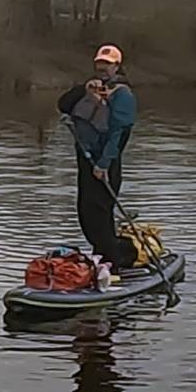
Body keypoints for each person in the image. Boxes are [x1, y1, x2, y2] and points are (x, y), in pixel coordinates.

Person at [57, 44, 137, 272]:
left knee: (100, 217)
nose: (103, 68)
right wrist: (84, 90)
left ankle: (111, 266)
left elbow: (118, 133)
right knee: (86, 214)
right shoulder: (91, 88)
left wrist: (104, 163)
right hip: (86, 160)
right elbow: (63, 105)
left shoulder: (123, 95)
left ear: (117, 66)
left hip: (105, 164)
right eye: (100, 63)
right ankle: (103, 258)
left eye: (108, 64)